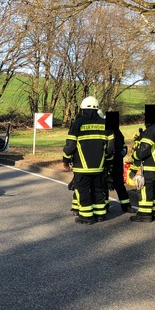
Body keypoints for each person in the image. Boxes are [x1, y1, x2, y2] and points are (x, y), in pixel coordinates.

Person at [62, 96, 114, 224]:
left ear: (83, 109)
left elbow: (70, 146)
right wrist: (107, 160)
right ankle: (100, 215)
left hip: (82, 167)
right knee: (98, 189)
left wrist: (66, 160)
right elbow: (110, 147)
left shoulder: (77, 124)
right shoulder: (105, 124)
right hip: (99, 166)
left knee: (83, 190)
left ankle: (86, 217)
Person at [128, 104, 155, 222]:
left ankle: (145, 214)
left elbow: (144, 150)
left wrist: (135, 153)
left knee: (145, 189)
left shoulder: (152, 130)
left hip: (148, 165)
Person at [104, 111, 133, 213]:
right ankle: (105, 206)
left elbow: (124, 145)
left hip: (117, 162)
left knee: (119, 184)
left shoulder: (118, 132)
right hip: (107, 163)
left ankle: (126, 206)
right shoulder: (105, 131)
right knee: (104, 185)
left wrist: (123, 151)